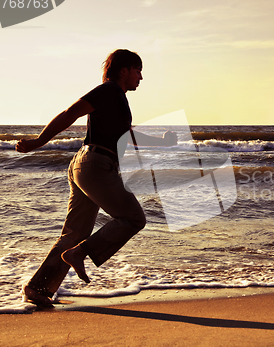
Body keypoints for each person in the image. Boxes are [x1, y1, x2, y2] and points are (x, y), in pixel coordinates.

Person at [16, 49, 177, 306]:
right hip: (95, 164)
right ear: (124, 70)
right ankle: (80, 253)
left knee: (74, 233)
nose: (141, 77)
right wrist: (39, 142)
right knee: (133, 218)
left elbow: (128, 135)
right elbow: (71, 112)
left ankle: (38, 288)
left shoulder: (116, 99)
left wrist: (162, 142)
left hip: (87, 164)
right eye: (138, 70)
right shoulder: (110, 90)